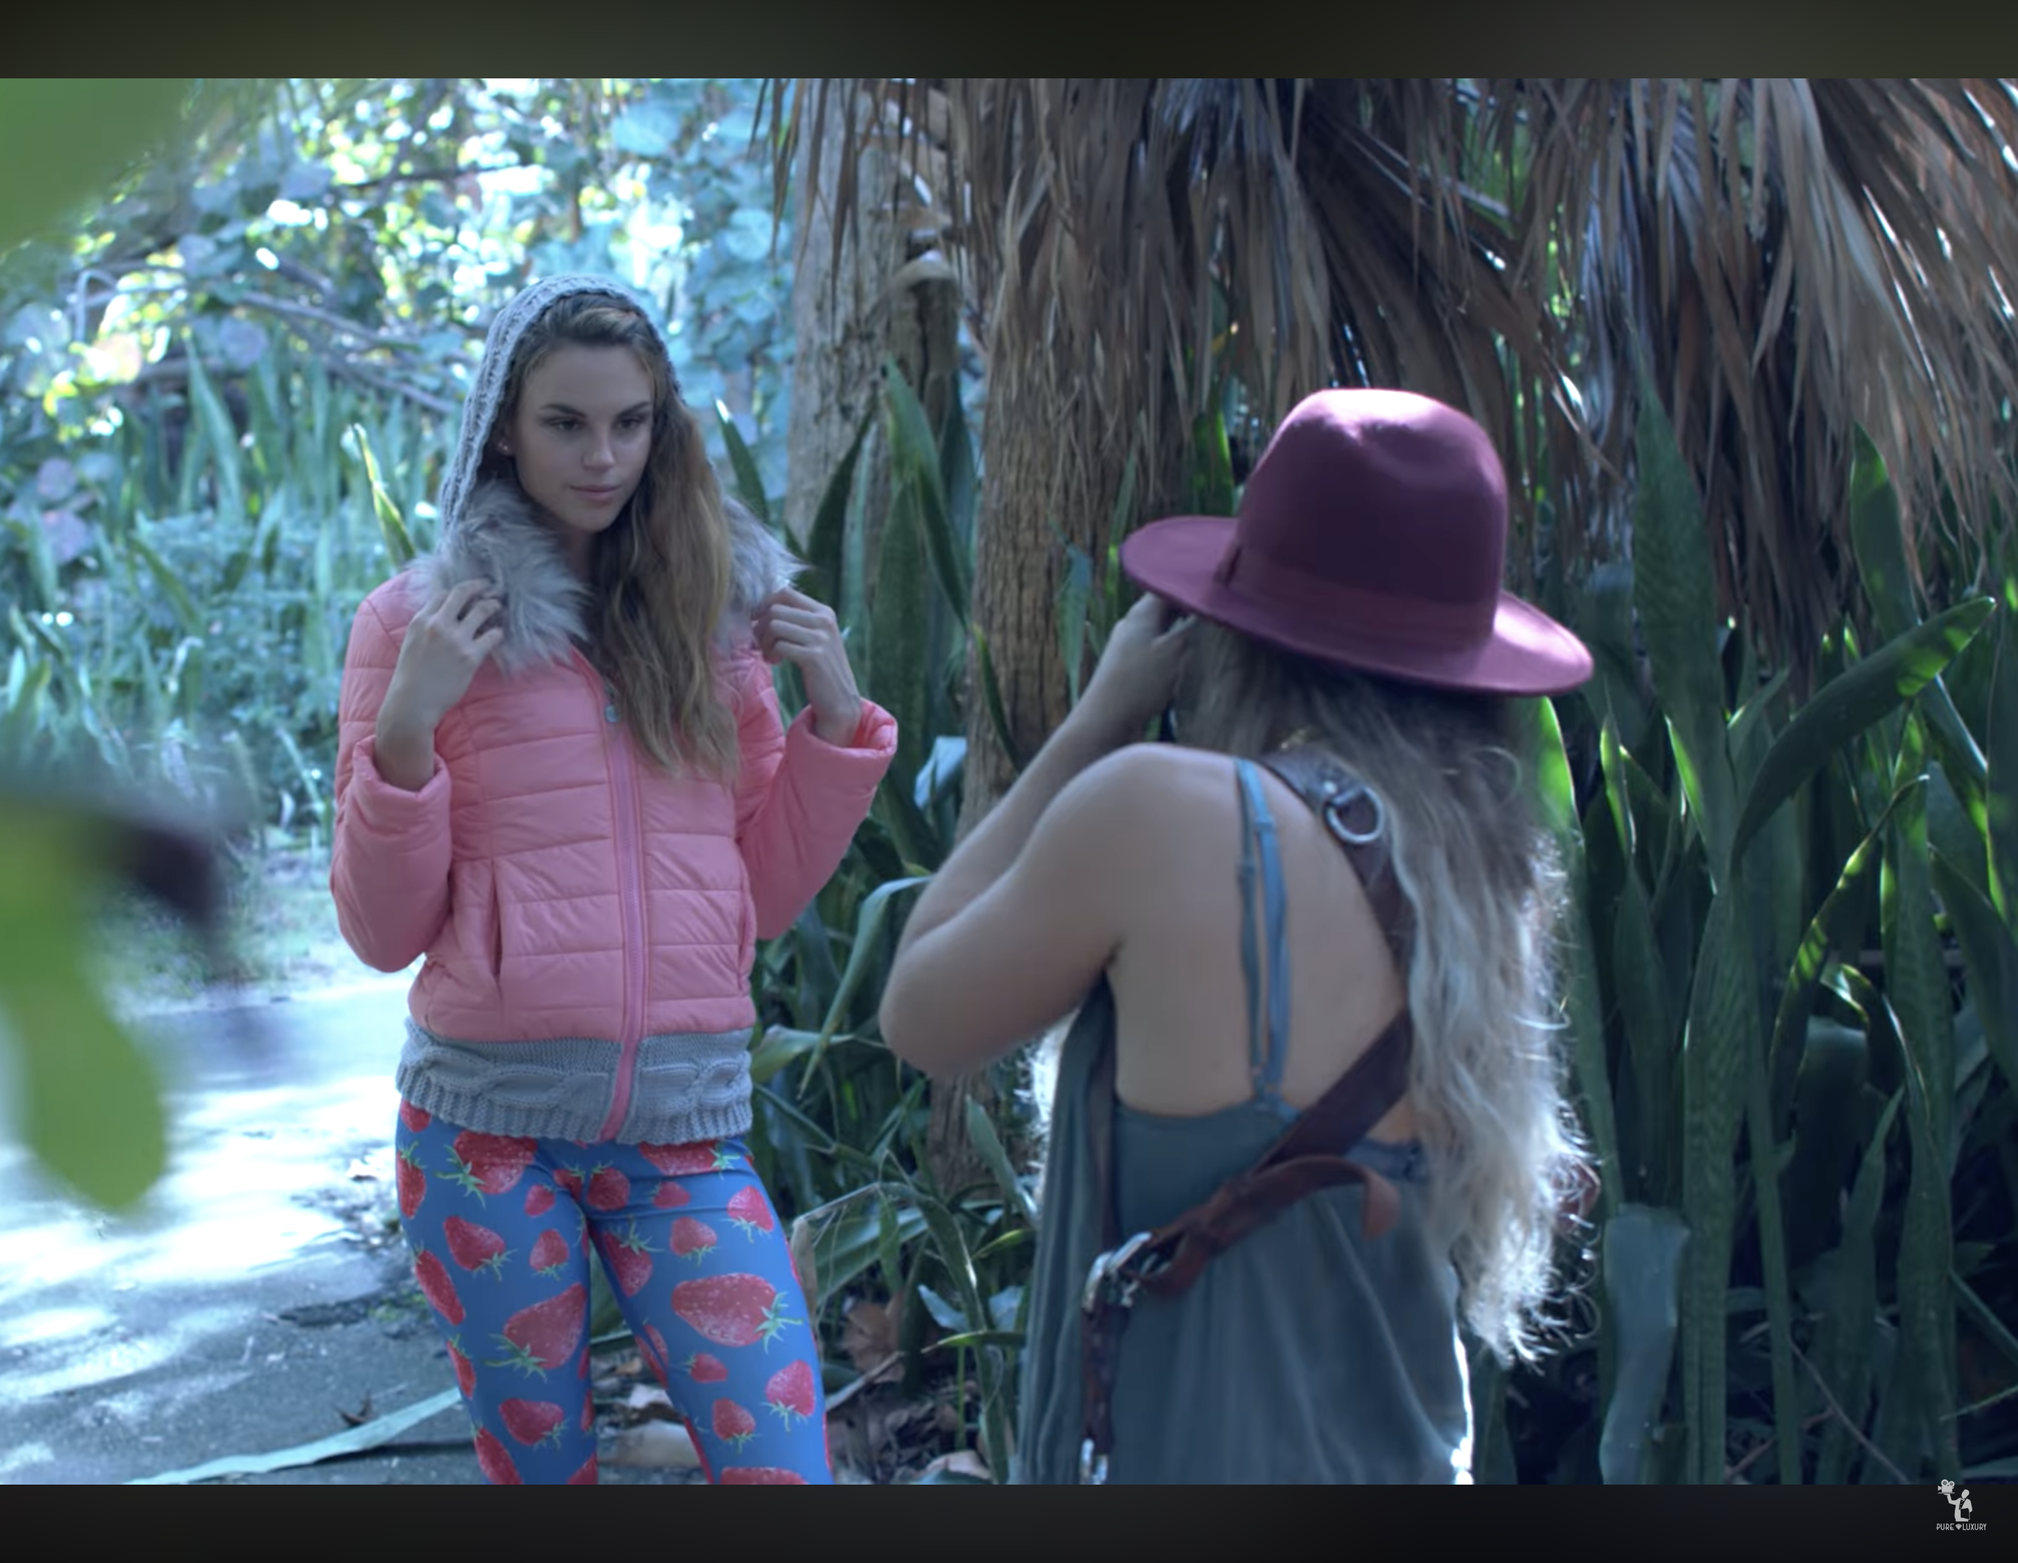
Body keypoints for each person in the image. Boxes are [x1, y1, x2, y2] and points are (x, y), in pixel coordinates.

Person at [876, 387, 1597, 1483]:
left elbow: (919, 1017)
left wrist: (1098, 718)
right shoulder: (1482, 880)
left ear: (1234, 632)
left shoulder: (1165, 814)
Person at [331, 273, 897, 1485]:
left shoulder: (716, 623)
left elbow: (759, 899)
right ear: (502, 426)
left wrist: (835, 721)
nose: (602, 457)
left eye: (629, 422)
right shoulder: (416, 629)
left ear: (661, 426)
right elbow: (381, 935)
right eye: (566, 423)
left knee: (782, 1471)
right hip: (485, 1136)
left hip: (682, 1137)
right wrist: (406, 732)